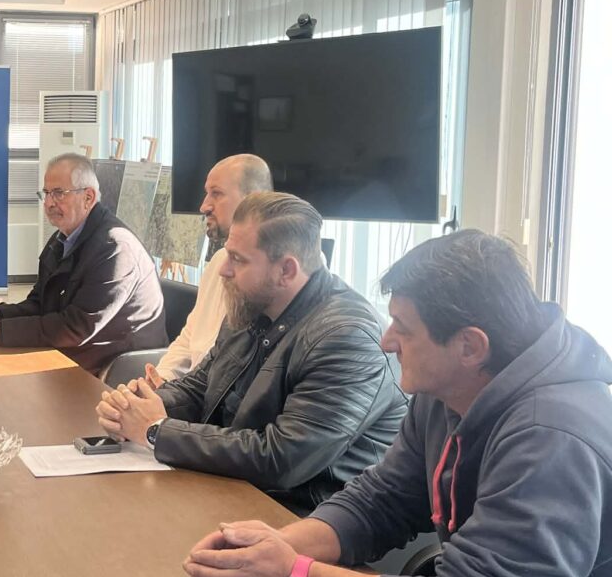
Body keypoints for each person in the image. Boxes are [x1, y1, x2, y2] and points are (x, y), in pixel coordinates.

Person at [182, 230, 612, 577]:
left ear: (470, 346)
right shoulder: (450, 389)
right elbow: (382, 500)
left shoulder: (553, 438)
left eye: (402, 328)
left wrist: (295, 575)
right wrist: (276, 548)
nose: (387, 342)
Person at [98, 192, 405, 511]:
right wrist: (138, 407)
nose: (223, 270)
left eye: (238, 259)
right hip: (240, 492)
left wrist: (156, 431)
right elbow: (201, 387)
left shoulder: (348, 338)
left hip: (306, 514)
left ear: (286, 270)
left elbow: (283, 459)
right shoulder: (252, 306)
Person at [0, 153, 166, 374]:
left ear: (88, 197)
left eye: (58, 193)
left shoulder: (115, 248)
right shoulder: (61, 239)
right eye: (46, 193)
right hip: (77, 354)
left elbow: (77, 327)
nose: (48, 203)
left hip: (116, 370)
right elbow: (40, 303)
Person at [153, 154, 272, 381]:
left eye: (216, 194)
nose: (204, 206)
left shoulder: (269, 276)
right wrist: (158, 380)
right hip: (191, 392)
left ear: (253, 199)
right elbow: (189, 339)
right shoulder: (218, 260)